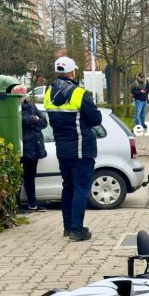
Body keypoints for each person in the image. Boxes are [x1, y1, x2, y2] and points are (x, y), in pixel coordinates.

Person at [44, 56, 103, 241]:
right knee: (81, 188)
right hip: (81, 147)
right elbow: (95, 119)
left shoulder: (48, 93)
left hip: (62, 148)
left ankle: (68, 227)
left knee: (67, 187)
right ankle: (77, 230)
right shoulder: (79, 93)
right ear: (72, 72)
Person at [18, 84, 48, 212]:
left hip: (34, 148)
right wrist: (33, 119)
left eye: (23, 94)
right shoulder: (15, 108)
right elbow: (19, 121)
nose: (22, 97)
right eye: (20, 95)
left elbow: (44, 121)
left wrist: (33, 123)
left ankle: (32, 204)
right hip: (23, 148)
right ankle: (17, 205)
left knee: (30, 177)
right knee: (19, 179)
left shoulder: (31, 106)